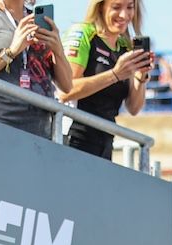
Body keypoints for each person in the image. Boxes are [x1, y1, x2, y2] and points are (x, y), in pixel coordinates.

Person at [0, 0, 72, 138]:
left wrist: (58, 50)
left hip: (41, 132)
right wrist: (11, 52)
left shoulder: (36, 18)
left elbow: (67, 86)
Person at [62, 0, 153, 160]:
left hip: (106, 139)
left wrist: (140, 76)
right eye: (116, 7)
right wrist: (115, 75)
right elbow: (66, 91)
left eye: (130, 7)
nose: (124, 15)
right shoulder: (83, 33)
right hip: (74, 135)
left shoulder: (125, 46)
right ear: (100, 6)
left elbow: (133, 108)